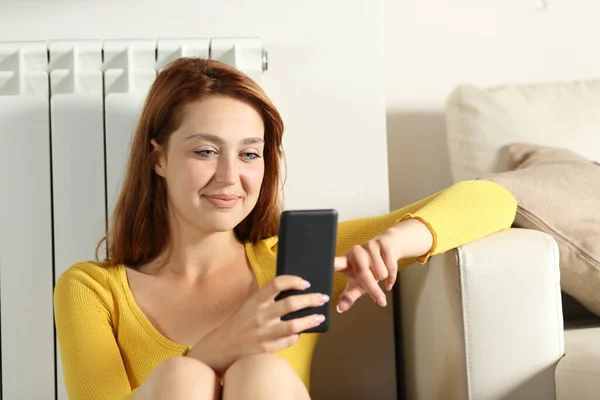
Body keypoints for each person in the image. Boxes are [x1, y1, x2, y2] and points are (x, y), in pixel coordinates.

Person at [54, 57, 517, 400]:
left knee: (259, 374)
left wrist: (392, 243)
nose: (230, 176)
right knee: (181, 379)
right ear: (158, 157)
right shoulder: (92, 290)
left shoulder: (292, 262)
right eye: (205, 151)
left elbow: (494, 199)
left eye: (249, 154)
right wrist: (217, 348)